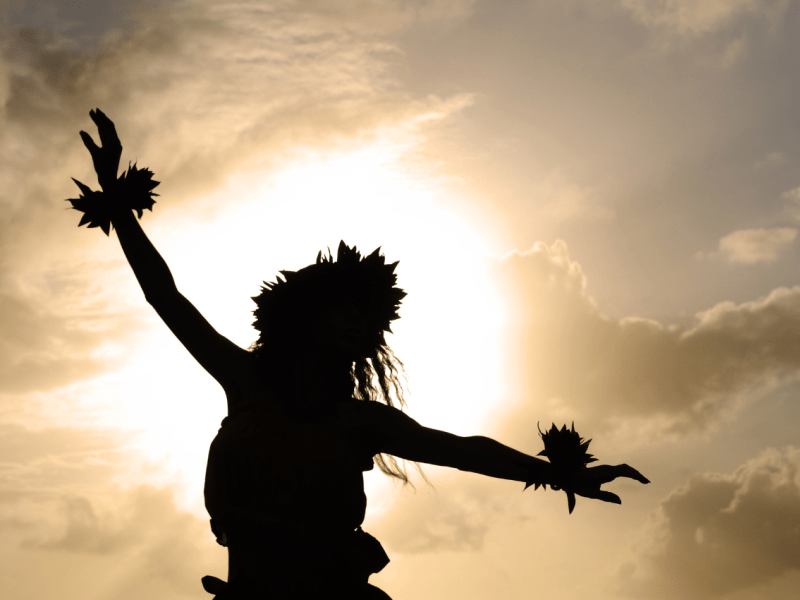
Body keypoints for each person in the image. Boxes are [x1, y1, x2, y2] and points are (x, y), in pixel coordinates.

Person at [71, 109, 650, 599]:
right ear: (304, 315)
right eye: (341, 309)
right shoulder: (245, 380)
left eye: (363, 316)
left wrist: (554, 473)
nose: (354, 323)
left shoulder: (358, 421)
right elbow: (164, 295)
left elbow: (460, 450)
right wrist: (118, 204)